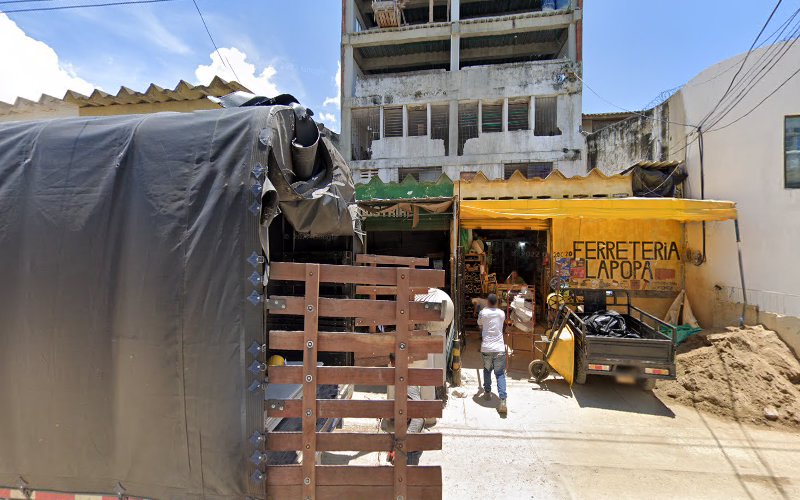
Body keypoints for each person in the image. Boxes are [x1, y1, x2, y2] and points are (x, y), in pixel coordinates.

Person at [382, 353, 425, 465]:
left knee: (408, 477)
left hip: (412, 442)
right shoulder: (405, 378)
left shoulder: (405, 383)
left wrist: (402, 443)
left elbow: (416, 413)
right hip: (413, 437)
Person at [477, 293, 507, 414]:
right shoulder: (501, 313)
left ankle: (487, 393)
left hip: (487, 347)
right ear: (497, 302)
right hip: (499, 347)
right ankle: (503, 401)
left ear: (488, 302)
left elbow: (479, 323)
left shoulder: (483, 313)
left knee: (487, 370)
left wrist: (483, 310)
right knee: (500, 374)